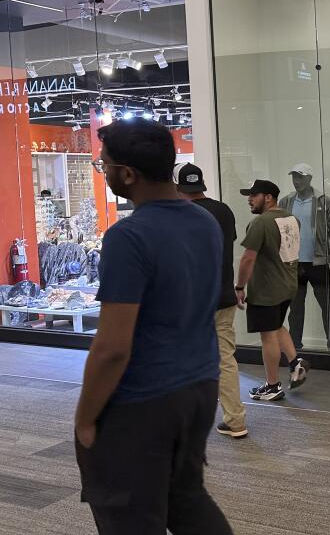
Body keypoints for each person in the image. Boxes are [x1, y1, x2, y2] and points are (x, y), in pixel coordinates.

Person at [74, 119, 232, 534]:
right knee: (186, 499)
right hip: (200, 386)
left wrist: (85, 418)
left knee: (128, 513)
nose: (103, 171)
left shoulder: (129, 236)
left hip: (144, 400)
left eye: (103, 164)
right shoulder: (205, 223)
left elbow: (112, 347)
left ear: (128, 173)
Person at [174, 162, 247, 439]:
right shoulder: (224, 211)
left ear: (178, 188)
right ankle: (236, 420)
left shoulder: (180, 215)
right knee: (225, 359)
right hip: (223, 296)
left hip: (191, 301)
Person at [236, 179, 311, 401]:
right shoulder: (291, 218)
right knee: (277, 326)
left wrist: (239, 286)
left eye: (254, 195)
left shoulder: (261, 223)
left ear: (268, 197)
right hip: (287, 284)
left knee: (267, 335)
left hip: (267, 289)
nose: (249, 199)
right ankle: (297, 362)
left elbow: (248, 258)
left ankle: (272, 385)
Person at [277, 163, 330, 352]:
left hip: (318, 261)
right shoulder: (286, 202)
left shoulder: (324, 201)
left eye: (300, 177)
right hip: (294, 262)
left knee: (327, 303)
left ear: (309, 179)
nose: (296, 181)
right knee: (296, 307)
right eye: (294, 177)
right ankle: (295, 345)